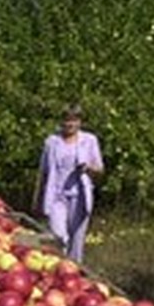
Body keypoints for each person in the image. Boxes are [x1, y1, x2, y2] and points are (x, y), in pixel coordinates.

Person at [33, 104, 104, 263]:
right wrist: (38, 198)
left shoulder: (89, 140)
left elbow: (99, 169)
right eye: (67, 120)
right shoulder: (51, 142)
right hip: (57, 196)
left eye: (74, 120)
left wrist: (87, 167)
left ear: (80, 122)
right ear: (61, 121)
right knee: (59, 236)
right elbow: (43, 171)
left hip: (79, 196)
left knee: (77, 239)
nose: (70, 124)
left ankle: (75, 271)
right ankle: (59, 268)